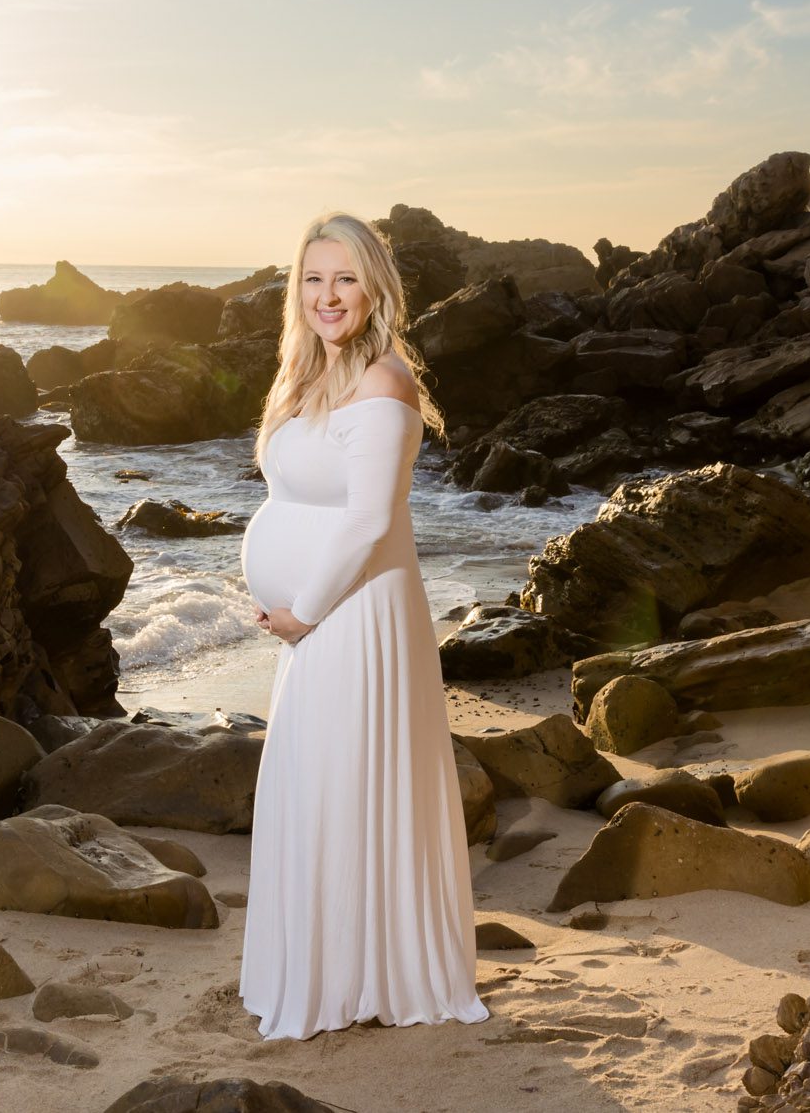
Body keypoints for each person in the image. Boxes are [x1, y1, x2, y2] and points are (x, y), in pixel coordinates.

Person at [236, 211, 491, 1042]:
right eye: (313, 279)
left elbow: (369, 520)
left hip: (354, 615)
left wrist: (303, 609)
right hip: (316, 619)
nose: (327, 295)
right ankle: (324, 968)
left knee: (346, 781)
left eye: (344, 278)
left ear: (375, 286)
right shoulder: (309, 377)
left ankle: (358, 975)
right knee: (315, 783)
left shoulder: (383, 382)